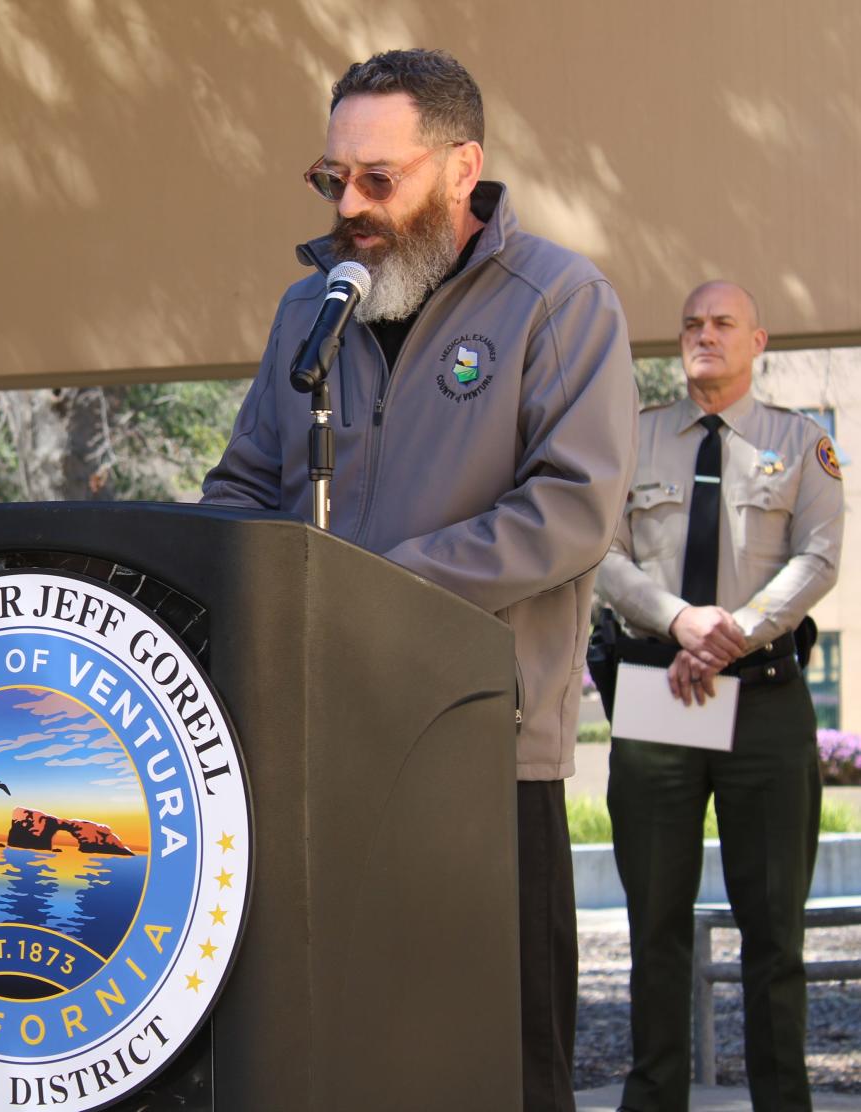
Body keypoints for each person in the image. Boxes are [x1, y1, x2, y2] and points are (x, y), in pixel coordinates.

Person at [201, 48, 638, 1111]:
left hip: (483, 756)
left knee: (500, 1070)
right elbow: (243, 488)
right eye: (330, 178)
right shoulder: (310, 314)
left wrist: (372, 590)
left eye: (377, 179)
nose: (349, 205)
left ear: (460, 168)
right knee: (348, 1059)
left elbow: (571, 509)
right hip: (317, 753)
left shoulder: (559, 302)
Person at [597, 280, 844, 1112]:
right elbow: (601, 551)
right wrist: (679, 622)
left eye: (723, 323)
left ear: (758, 341)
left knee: (774, 934)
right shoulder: (633, 441)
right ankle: (654, 1100)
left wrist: (727, 632)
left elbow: (818, 558)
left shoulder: (801, 443)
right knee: (654, 928)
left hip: (765, 697)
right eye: (693, 324)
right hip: (658, 693)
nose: (705, 335)